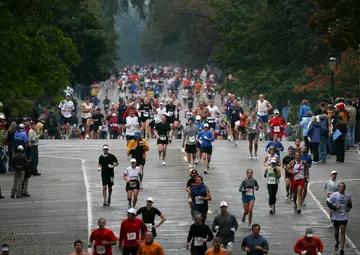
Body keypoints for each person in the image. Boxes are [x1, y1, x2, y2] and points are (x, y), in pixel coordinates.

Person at [327, 182, 352, 255]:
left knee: (343, 231)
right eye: (340, 186)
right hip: (336, 217)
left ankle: (342, 249)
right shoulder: (334, 195)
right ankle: (337, 241)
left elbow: (350, 204)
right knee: (336, 233)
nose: (342, 188)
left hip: (344, 217)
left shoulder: (348, 196)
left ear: (345, 188)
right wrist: (334, 207)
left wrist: (348, 208)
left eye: (343, 187)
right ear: (338, 188)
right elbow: (328, 203)